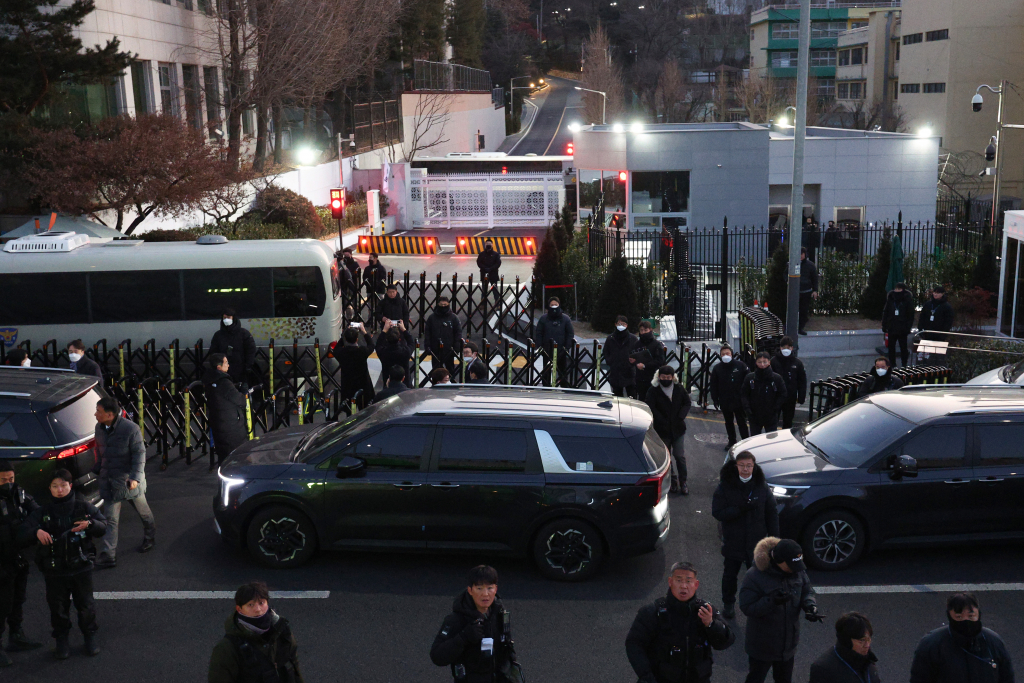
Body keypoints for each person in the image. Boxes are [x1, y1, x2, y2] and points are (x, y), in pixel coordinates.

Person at [23, 469, 106, 659]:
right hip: (54, 572)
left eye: (63, 485)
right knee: (57, 608)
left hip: (81, 568)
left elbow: (103, 526)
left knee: (86, 606)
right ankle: (62, 640)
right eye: (55, 486)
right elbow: (22, 533)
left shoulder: (82, 507)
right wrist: (36, 532)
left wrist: (90, 524)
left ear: (70, 486)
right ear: (50, 489)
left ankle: (89, 636)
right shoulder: (43, 512)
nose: (59, 490)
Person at [625, 561, 735, 683]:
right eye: (679, 580)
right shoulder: (652, 612)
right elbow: (633, 644)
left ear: (696, 584)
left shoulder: (706, 610)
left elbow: (726, 642)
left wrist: (711, 624)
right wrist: (646, 676)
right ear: (670, 582)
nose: (684, 586)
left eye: (688, 581)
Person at [739, 537, 824, 683]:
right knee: (755, 678)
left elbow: (806, 590)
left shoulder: (797, 570)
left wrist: (810, 606)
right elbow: (747, 607)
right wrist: (771, 601)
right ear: (778, 560)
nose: (795, 569)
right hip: (762, 647)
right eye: (790, 565)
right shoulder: (754, 576)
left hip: (788, 646)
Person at [712, 452, 779, 620]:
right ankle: (728, 604)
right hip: (733, 541)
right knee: (730, 575)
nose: (746, 469)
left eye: (749, 465)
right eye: (742, 465)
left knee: (758, 576)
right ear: (736, 466)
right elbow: (718, 512)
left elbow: (771, 513)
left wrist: (774, 541)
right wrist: (739, 508)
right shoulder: (725, 486)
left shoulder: (761, 486)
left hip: (756, 543)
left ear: (754, 466)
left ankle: (757, 606)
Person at [93, 395, 156, 569]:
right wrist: (97, 468)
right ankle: (108, 555)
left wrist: (135, 478)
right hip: (110, 481)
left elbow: (139, 455)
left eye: (98, 411)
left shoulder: (131, 429)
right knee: (111, 518)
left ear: (110, 414)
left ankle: (150, 537)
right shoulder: (99, 428)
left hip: (128, 482)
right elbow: (100, 451)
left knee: (143, 512)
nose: (95, 414)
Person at [430, 565, 519, 683]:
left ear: (496, 589)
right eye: (479, 588)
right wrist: (464, 637)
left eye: (489, 588)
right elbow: (437, 656)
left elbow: (507, 648)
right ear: (470, 590)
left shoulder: (500, 614)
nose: (485, 594)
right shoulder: (456, 620)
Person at [208, 580, 304, 683]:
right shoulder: (227, 649)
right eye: (250, 605)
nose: (258, 609)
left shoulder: (282, 631)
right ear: (239, 609)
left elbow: (294, 668)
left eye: (261, 603)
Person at [910, 592, 1013, 683]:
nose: (965, 620)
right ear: (950, 616)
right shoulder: (932, 645)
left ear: (979, 614)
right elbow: (919, 678)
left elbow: (1006, 677)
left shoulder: (993, 642)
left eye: (971, 616)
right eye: (959, 617)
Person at [0, 462, 42, 661]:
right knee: (2, 603)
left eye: (11, 479)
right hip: (2, 559)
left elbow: (36, 511)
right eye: (3, 480)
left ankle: (16, 635)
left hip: (17, 556)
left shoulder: (19, 493)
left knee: (18, 599)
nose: (8, 484)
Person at [645, 366, 691, 495]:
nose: (666, 379)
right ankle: (672, 481)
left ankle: (683, 482)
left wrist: (680, 416)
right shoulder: (653, 390)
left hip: (678, 429)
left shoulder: (679, 388)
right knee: (666, 457)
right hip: (662, 429)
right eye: (663, 377)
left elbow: (687, 403)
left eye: (668, 377)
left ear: (673, 377)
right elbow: (650, 406)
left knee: (679, 456)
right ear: (659, 377)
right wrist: (661, 420)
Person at [204, 354, 250, 465]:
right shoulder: (224, 382)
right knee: (236, 455)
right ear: (219, 367)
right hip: (231, 425)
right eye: (226, 363)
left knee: (223, 455)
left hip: (217, 422)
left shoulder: (209, 380)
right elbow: (240, 401)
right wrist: (243, 394)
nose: (228, 365)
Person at [809, 612, 880, 683]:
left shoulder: (867, 661)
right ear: (847, 641)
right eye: (862, 640)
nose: (867, 645)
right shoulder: (823, 669)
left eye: (869, 639)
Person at [709, 345, 749, 449]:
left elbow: (747, 381)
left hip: (739, 400)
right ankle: (732, 441)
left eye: (727, 354)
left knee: (742, 422)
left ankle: (746, 441)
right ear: (720, 355)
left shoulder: (740, 366)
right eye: (723, 354)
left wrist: (746, 398)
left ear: (732, 354)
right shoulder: (717, 368)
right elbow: (713, 384)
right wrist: (715, 399)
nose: (725, 356)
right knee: (729, 422)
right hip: (725, 400)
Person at [741, 353, 787, 436]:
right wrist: (747, 409)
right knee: (755, 439)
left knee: (771, 439)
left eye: (765, 362)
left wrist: (776, 407)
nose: (762, 364)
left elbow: (783, 394)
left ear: (769, 362)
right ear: (756, 362)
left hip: (771, 415)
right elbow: (744, 394)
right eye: (759, 362)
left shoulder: (777, 378)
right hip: (754, 415)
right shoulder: (750, 378)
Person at [534, 297, 575, 387]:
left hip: (561, 351)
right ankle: (546, 388)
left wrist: (566, 347)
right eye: (552, 305)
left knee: (563, 372)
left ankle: (565, 389)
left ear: (559, 305)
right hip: (547, 350)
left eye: (555, 305)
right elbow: (539, 333)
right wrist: (540, 347)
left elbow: (570, 334)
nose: (554, 307)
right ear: (548, 306)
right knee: (546, 372)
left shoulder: (565, 319)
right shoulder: (543, 319)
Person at [210, 308, 257, 386]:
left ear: (234, 318)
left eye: (228, 317)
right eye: (224, 318)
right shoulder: (218, 335)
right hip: (223, 371)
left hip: (241, 370)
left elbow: (250, 350)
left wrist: (248, 366)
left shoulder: (244, 334)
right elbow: (213, 352)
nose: (226, 320)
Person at [335, 323, 375, 409]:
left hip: (348, 385)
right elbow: (371, 345)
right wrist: (364, 332)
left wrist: (344, 335)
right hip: (362, 385)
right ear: (357, 339)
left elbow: (336, 349)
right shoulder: (362, 351)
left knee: (349, 411)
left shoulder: (342, 352)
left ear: (345, 339)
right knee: (363, 410)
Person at [770, 337, 806, 430]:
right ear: (780, 348)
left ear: (792, 348)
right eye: (784, 347)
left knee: (788, 422)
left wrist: (801, 396)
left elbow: (802, 380)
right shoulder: (773, 361)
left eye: (789, 347)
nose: (786, 349)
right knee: (773, 421)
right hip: (775, 397)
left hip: (790, 397)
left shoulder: (797, 363)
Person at [424, 296, 463, 375]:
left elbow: (458, 333)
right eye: (441, 305)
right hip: (435, 349)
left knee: (451, 371)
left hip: (449, 349)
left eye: (445, 305)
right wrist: (427, 346)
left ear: (448, 304)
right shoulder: (432, 318)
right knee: (436, 372)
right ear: (438, 304)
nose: (443, 307)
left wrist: (456, 347)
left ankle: (451, 386)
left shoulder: (454, 318)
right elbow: (427, 333)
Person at [881, 281, 916, 367]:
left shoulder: (907, 300)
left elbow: (910, 315)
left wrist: (908, 327)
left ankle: (904, 364)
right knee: (891, 348)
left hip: (902, 328)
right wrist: (884, 325)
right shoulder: (891, 298)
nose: (897, 290)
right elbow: (886, 312)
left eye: (899, 289)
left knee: (903, 348)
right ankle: (892, 364)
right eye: (896, 288)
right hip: (892, 327)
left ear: (903, 290)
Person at [604, 315, 638, 398]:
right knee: (617, 397)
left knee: (632, 396)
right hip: (615, 371)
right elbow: (606, 351)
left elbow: (638, 352)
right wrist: (610, 361)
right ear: (615, 324)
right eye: (619, 324)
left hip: (629, 371)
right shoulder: (610, 338)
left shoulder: (633, 338)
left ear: (627, 325)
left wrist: (633, 362)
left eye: (623, 324)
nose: (621, 326)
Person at [375, 320, 415, 389]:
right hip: (404, 384)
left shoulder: (383, 353)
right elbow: (411, 342)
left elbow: (378, 344)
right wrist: (404, 330)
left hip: (388, 383)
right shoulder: (405, 352)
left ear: (387, 339)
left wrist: (384, 330)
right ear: (399, 339)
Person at [630, 320, 666, 396]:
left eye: (646, 330)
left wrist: (645, 365)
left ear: (650, 330)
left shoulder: (656, 344)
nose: (643, 332)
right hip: (640, 378)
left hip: (653, 377)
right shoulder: (637, 344)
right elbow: (633, 356)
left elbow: (660, 360)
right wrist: (634, 362)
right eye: (641, 330)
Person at [918, 284, 954, 350]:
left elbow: (948, 321)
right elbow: (922, 317)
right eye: (934, 292)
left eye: (938, 293)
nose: (935, 294)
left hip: (939, 333)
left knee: (937, 355)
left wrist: (944, 334)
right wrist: (920, 328)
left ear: (942, 294)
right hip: (927, 333)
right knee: (926, 354)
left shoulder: (947, 306)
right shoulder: (928, 304)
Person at [798, 248, 819, 336]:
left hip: (806, 292)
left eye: (802, 254)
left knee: (804, 311)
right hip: (795, 292)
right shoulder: (791, 264)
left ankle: (800, 328)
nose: (800, 256)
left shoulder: (810, 265)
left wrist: (815, 290)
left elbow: (815, 279)